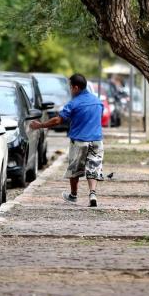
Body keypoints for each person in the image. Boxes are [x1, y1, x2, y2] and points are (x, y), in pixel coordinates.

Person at [31, 73, 104, 207]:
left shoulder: (74, 103)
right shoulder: (97, 101)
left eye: (70, 87)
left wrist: (40, 125)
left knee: (74, 169)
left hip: (79, 140)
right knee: (93, 167)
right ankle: (92, 194)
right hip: (97, 141)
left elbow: (58, 120)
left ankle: (73, 195)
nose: (70, 90)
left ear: (76, 88)